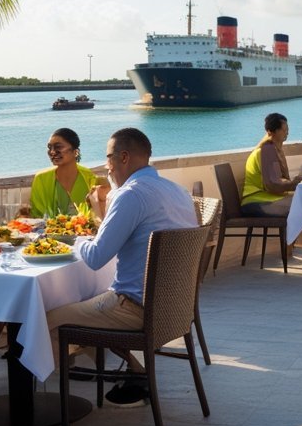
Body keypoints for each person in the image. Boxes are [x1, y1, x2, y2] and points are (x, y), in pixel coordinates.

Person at [46, 128, 198, 406]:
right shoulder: (177, 191)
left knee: (45, 320)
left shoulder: (131, 194)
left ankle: (44, 403)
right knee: (84, 302)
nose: (107, 167)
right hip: (174, 307)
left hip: (134, 309)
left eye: (108, 159)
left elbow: (94, 258)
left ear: (123, 157)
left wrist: (72, 239)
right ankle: (137, 373)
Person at [29, 127, 100, 218]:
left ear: (75, 152)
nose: (52, 152)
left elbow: (97, 214)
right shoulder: (41, 179)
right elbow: (37, 215)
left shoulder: (90, 178)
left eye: (58, 147)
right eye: (49, 147)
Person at [241, 112, 302, 215]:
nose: (287, 133)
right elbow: (272, 184)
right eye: (284, 130)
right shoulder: (265, 151)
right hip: (256, 201)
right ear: (271, 132)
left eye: (287, 130)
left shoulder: (273, 150)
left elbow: (277, 179)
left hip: (268, 198)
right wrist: (294, 183)